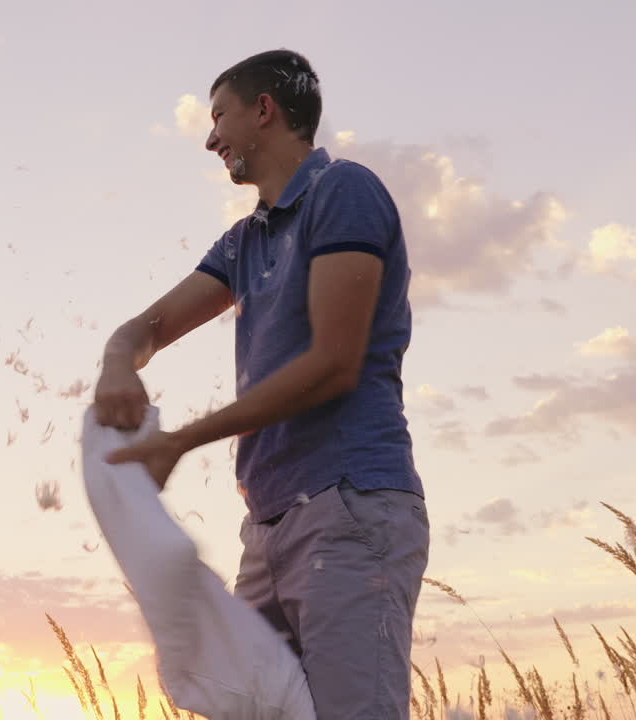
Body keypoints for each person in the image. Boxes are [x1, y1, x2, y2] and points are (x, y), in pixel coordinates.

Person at [98, 49, 430, 720]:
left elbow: (336, 362)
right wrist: (116, 362)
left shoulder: (344, 192)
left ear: (265, 111)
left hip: (349, 505)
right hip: (269, 525)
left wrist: (184, 439)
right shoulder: (244, 242)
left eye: (219, 115)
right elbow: (147, 327)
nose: (211, 137)